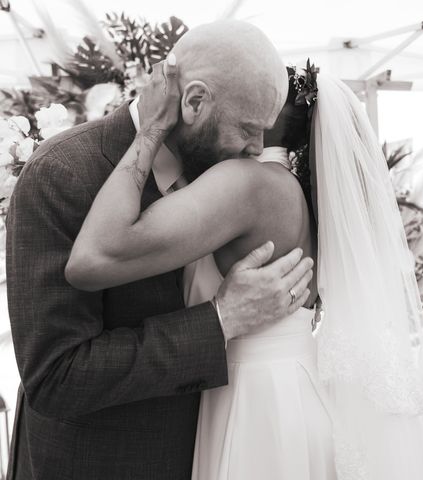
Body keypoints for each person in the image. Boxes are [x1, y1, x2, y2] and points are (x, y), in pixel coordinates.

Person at [64, 56, 423, 478]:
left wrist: (152, 128)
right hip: (293, 377)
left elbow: (98, 256)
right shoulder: (291, 187)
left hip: (256, 395)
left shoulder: (247, 183)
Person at [6, 20, 314, 480]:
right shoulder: (62, 172)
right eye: (248, 129)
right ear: (193, 101)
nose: (256, 150)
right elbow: (55, 377)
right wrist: (221, 320)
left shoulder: (231, 177)